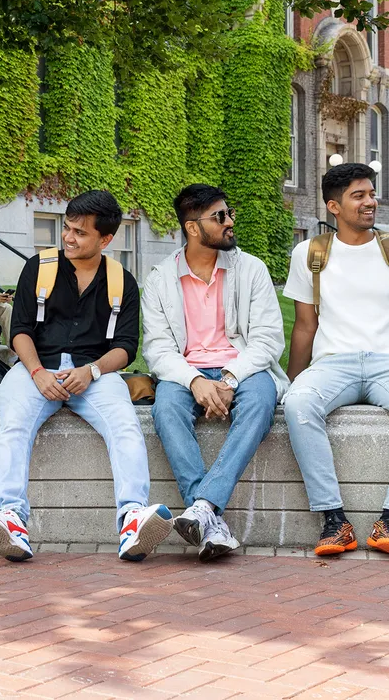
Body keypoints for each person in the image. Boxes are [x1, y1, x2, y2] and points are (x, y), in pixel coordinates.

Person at [0, 190, 172, 562]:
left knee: (125, 426)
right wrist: (35, 372)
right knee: (13, 425)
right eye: (67, 228)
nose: (68, 237)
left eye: (80, 232)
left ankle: (132, 521)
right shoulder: (39, 267)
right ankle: (12, 519)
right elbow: (20, 331)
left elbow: (127, 346)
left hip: (94, 373)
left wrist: (92, 371)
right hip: (36, 367)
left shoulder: (122, 281)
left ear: (105, 239)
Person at [282, 163, 389, 559]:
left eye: (371, 194)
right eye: (359, 196)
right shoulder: (310, 253)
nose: (370, 202)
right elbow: (304, 327)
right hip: (332, 363)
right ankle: (333, 520)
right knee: (299, 404)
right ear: (333, 206)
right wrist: (291, 383)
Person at [141, 184, 285, 561]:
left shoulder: (251, 269)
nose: (230, 221)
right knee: (166, 408)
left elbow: (268, 339)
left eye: (229, 212)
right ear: (192, 227)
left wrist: (229, 379)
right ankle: (210, 518)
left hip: (243, 366)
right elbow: (157, 349)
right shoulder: (159, 278)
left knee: (260, 401)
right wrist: (195, 380)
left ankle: (201, 508)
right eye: (220, 216)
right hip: (184, 372)